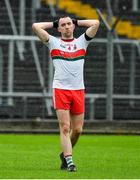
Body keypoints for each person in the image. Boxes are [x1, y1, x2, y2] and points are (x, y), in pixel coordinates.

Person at [32, 16, 100, 172]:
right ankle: (70, 162)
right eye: (63, 25)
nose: (67, 27)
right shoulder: (54, 42)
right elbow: (36, 26)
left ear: (73, 26)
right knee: (64, 127)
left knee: (77, 130)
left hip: (78, 90)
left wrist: (77, 22)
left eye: (69, 24)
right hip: (61, 89)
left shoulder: (82, 41)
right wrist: (54, 23)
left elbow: (96, 23)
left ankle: (64, 155)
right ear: (59, 29)